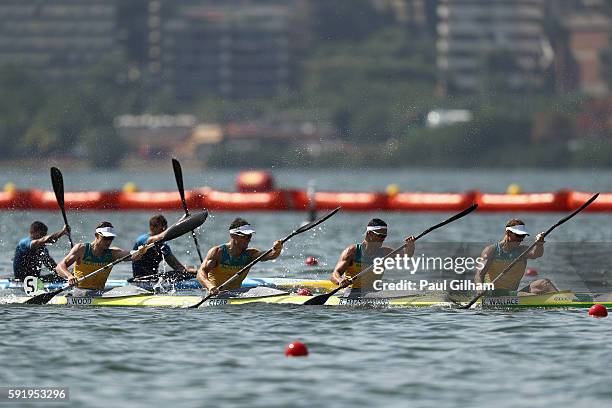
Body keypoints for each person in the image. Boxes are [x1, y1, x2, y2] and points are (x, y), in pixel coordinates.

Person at [197, 218, 283, 295]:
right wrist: (210, 287)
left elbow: (270, 255)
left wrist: (277, 249)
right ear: (233, 235)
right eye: (244, 236)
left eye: (249, 236)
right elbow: (200, 272)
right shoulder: (217, 252)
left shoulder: (250, 254)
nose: (248, 239)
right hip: (217, 295)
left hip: (237, 293)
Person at [474, 218, 556, 295]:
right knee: (526, 296)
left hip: (512, 294)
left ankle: (564, 301)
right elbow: (479, 274)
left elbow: (536, 254)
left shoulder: (522, 250)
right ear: (508, 233)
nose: (520, 239)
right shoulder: (491, 250)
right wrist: (480, 288)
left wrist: (539, 243)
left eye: (523, 236)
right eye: (518, 235)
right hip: (493, 294)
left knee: (544, 283)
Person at [55, 221, 145, 291]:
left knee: (134, 290)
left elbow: (133, 256)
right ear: (96, 235)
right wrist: (69, 276)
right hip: (80, 291)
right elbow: (59, 267)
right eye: (105, 238)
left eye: (111, 238)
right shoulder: (81, 249)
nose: (108, 241)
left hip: (99, 292)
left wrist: (140, 251)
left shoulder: (113, 253)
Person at [331, 218, 416, 290]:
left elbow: (406, 256)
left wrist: (410, 246)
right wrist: (340, 281)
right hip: (352, 291)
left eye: (385, 236)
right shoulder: (352, 252)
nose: (383, 239)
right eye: (380, 236)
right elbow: (335, 274)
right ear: (369, 234)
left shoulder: (385, 253)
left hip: (373, 291)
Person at [131, 214, 195, 280]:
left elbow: (179, 268)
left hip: (153, 279)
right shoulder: (143, 240)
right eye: (151, 225)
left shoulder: (164, 247)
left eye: (156, 226)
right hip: (138, 279)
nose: (152, 228)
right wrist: (180, 222)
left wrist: (196, 272)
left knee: (180, 273)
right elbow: (157, 238)